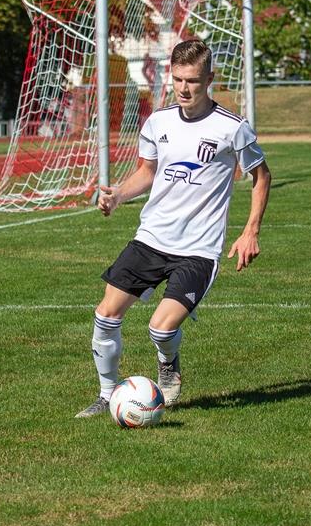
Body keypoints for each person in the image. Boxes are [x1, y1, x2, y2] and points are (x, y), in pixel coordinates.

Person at [76, 39, 272, 417]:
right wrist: (117, 194)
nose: (184, 88)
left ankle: (168, 364)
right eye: (179, 79)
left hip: (199, 249)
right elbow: (147, 173)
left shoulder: (233, 128)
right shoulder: (158, 122)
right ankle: (106, 394)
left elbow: (261, 177)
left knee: (160, 329)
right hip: (151, 238)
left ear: (210, 78)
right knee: (106, 314)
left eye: (194, 81)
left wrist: (250, 232)